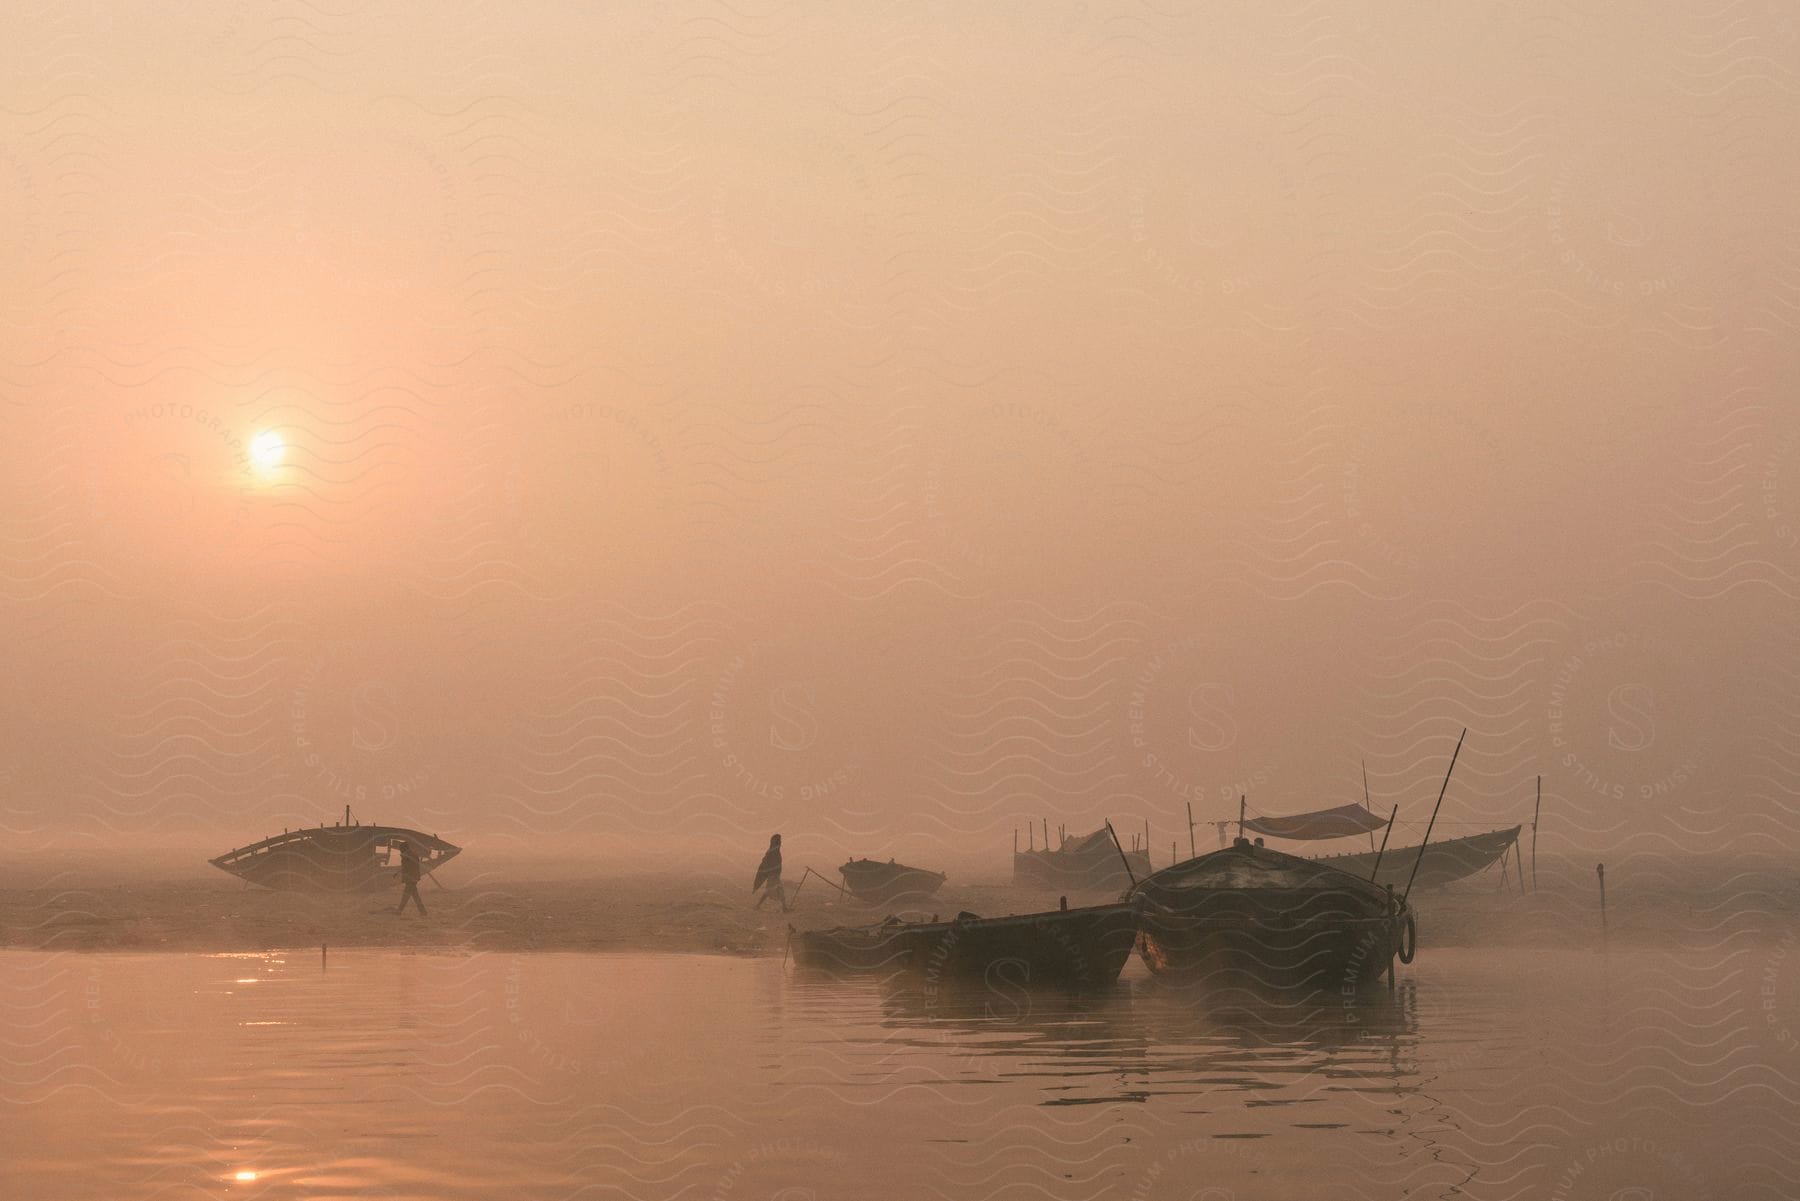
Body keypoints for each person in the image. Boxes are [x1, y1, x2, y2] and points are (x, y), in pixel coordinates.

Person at [752, 833, 790, 912]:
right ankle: (784, 908)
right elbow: (766, 863)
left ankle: (758, 906)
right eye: (779, 841)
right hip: (772, 876)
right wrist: (770, 872)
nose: (780, 843)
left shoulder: (776, 852)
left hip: (775, 876)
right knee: (778, 891)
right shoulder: (771, 852)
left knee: (770, 892)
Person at [395, 839, 427, 916]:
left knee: (406, 896)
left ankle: (399, 911)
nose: (400, 851)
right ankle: (422, 911)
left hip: (410, 878)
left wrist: (401, 874)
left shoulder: (407, 856)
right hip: (413, 878)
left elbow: (407, 867)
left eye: (400, 849)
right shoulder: (412, 855)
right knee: (414, 896)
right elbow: (409, 867)